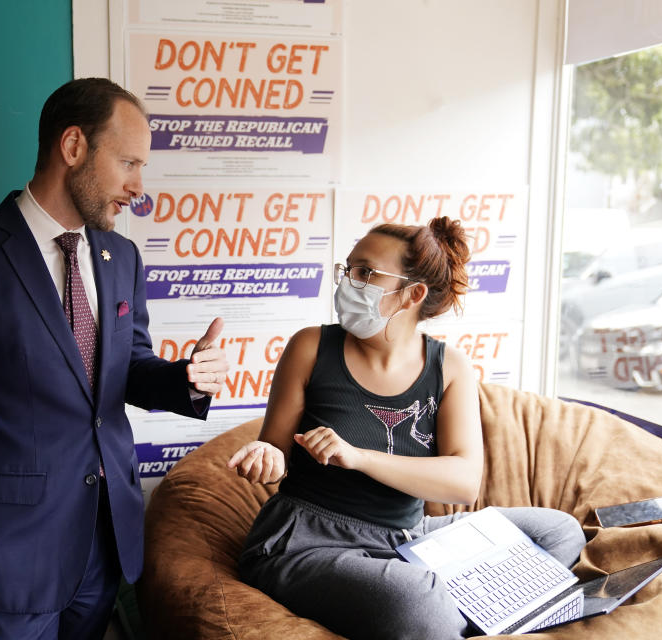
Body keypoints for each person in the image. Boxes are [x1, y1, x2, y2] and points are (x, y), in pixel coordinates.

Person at [0, 78, 229, 640]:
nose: (138, 187)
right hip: (5, 563)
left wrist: (186, 377)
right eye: (128, 163)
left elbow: (124, 369)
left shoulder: (120, 256)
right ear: (73, 147)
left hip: (104, 546)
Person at [227, 217, 585, 640]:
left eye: (365, 272)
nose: (347, 283)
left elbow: (462, 483)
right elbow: (275, 453)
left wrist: (358, 457)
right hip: (309, 539)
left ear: (413, 294)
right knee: (415, 596)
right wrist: (266, 457)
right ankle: (453, 611)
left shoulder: (449, 366)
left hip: (409, 538)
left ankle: (446, 613)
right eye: (348, 270)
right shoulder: (310, 346)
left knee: (558, 531)